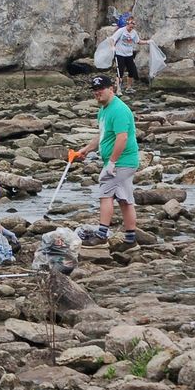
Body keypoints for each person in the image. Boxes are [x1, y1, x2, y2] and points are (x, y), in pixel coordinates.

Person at [69, 75, 140, 249]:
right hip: (120, 161)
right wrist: (86, 149)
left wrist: (112, 163)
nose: (97, 93)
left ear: (111, 88)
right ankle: (131, 240)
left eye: (100, 89)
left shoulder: (119, 110)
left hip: (123, 161)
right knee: (124, 199)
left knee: (105, 193)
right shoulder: (103, 109)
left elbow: (122, 138)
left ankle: (101, 236)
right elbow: (103, 135)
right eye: (94, 90)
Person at [110, 17, 150, 94]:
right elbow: (113, 39)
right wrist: (112, 47)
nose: (132, 26)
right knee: (119, 72)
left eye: (133, 25)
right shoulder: (121, 31)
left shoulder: (134, 33)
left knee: (132, 71)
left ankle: (129, 87)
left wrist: (148, 42)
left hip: (129, 55)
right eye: (131, 24)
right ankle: (118, 89)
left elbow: (138, 41)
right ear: (127, 23)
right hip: (120, 54)